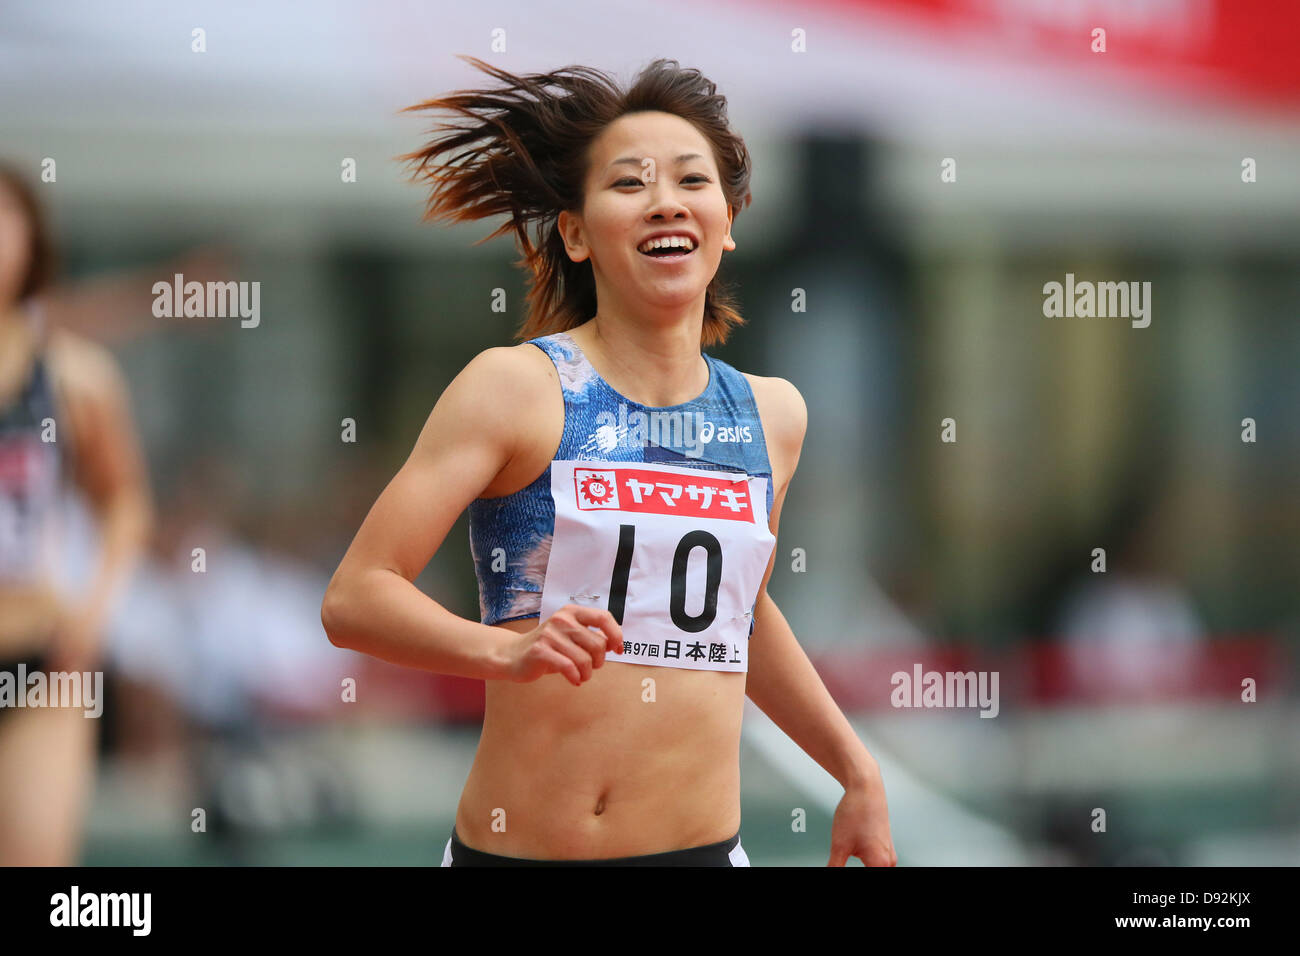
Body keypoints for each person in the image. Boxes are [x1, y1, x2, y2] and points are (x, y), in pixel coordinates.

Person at [321, 57, 896, 866]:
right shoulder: (516, 390)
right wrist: (509, 651)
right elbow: (355, 598)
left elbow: (743, 616)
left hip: (698, 850)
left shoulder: (773, 416)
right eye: (630, 184)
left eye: (691, 180)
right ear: (577, 233)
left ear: (728, 220)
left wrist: (855, 770)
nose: (665, 199)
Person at [0, 163, 153, 865]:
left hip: (38, 655)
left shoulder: (70, 375)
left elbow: (124, 503)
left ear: (31, 239)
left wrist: (93, 615)